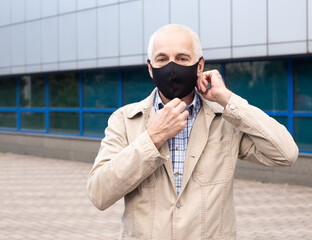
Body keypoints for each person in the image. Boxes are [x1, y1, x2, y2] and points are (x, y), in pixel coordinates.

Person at [87, 24, 298, 239]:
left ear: (200, 66)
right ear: (150, 68)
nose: (171, 67)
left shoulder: (225, 119)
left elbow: (285, 154)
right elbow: (99, 193)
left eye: (182, 58)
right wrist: (153, 138)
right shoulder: (124, 120)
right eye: (161, 59)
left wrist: (226, 99)